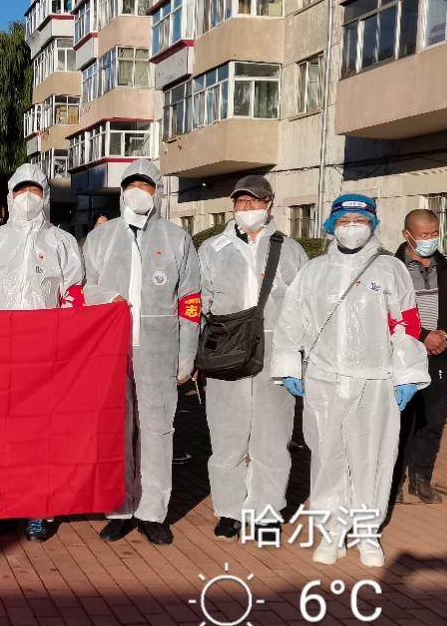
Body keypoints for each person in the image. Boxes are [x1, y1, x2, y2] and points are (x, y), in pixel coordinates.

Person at [272, 193, 429, 569]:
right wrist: (289, 365)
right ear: (331, 225)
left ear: (373, 225)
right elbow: (291, 321)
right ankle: (332, 532)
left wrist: (407, 373)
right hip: (324, 380)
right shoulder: (314, 272)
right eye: (344, 221)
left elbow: (406, 323)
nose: (352, 228)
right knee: (328, 458)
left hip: (375, 381)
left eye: (360, 221)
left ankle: (367, 533)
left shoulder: (390, 269)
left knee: (371, 459)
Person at [81, 159, 200, 546]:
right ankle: (118, 508)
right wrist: (108, 297)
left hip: (158, 348)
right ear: (121, 192)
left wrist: (187, 354)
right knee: (116, 429)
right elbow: (84, 288)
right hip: (111, 348)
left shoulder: (177, 239)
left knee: (157, 429)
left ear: (157, 192)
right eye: (131, 185)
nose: (138, 192)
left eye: (145, 186)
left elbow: (190, 300)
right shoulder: (101, 238)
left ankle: (152, 511)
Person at [0, 163, 85, 542]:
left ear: (46, 196)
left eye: (35, 191)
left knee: (41, 434)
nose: (28, 198)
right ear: (10, 196)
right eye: (21, 190)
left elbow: (74, 294)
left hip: (45, 355)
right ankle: (0, 505)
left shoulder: (62, 242)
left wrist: (65, 342)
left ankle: (38, 509)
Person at [197, 175, 307, 542]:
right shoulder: (212, 248)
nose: (247, 208)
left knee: (272, 440)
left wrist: (298, 358)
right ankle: (229, 510)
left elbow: (303, 307)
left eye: (255, 201)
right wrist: (198, 353)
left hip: (275, 354)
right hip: (225, 354)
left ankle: (266, 511)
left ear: (270, 204)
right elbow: (200, 301)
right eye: (241, 202)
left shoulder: (289, 250)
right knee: (227, 438)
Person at [392, 210, 447, 506]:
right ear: (407, 235)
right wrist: (423, 336)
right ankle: (393, 481)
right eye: (423, 235)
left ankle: (421, 479)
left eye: (434, 233)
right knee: (399, 423)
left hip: (441, 356)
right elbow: (386, 313)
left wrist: (444, 334)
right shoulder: (391, 268)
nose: (430, 239)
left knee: (433, 421)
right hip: (401, 358)